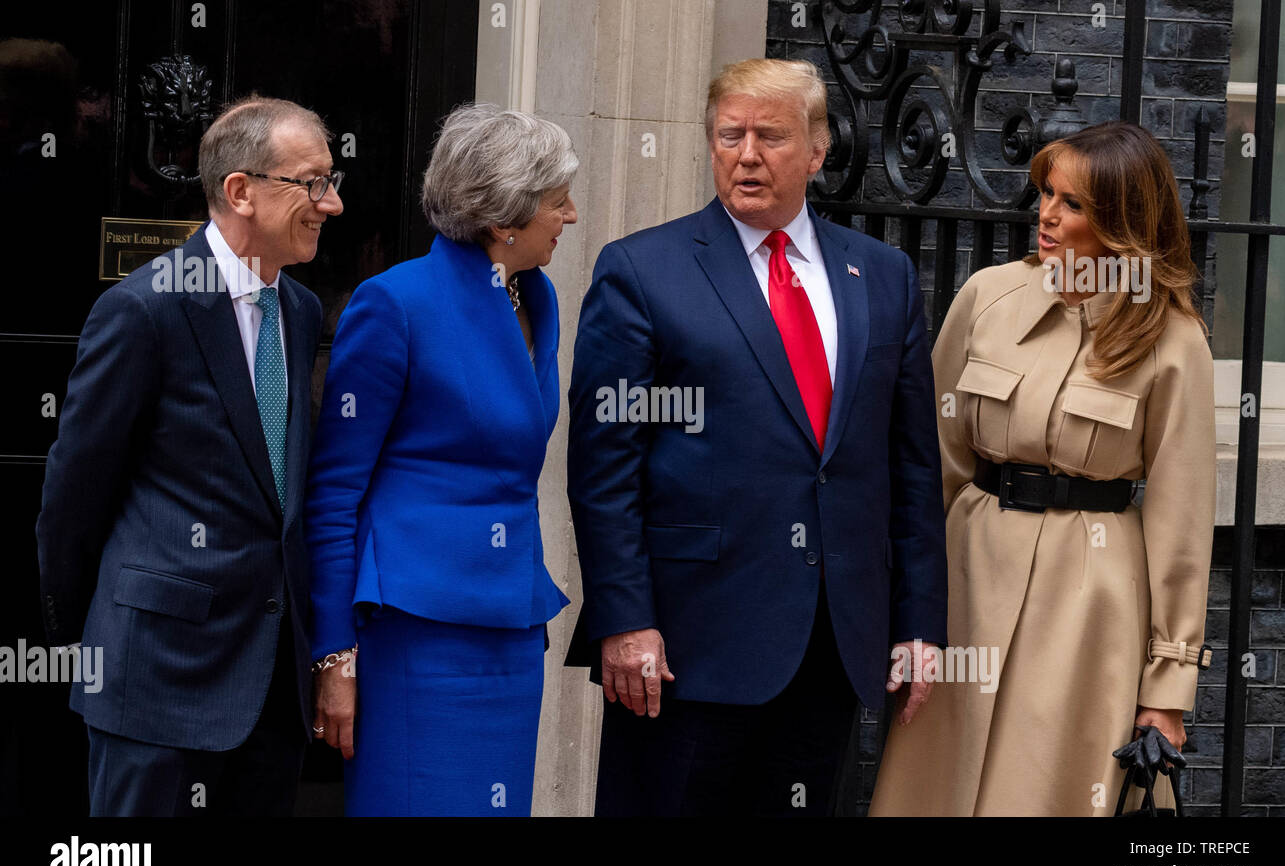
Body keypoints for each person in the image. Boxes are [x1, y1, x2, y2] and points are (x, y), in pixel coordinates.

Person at [565, 58, 947, 816]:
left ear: (817, 149)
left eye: (769, 136)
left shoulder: (884, 275)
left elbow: (910, 467)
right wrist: (624, 617)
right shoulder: (643, 272)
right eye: (729, 135)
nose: (746, 154)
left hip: (833, 643)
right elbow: (605, 465)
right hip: (683, 646)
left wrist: (920, 624)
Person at [869, 120, 1215, 816]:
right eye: (1046, 194)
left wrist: (1167, 691)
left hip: (1090, 603)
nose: (1048, 216)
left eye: (1074, 204)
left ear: (1122, 222)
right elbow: (929, 463)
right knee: (935, 784)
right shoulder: (988, 297)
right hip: (968, 574)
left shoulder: (1172, 338)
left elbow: (1182, 523)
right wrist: (904, 606)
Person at [35, 96, 343, 815]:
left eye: (333, 181)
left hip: (269, 689)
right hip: (155, 682)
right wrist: (101, 639)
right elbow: (71, 502)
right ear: (240, 191)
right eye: (311, 183)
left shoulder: (297, 311)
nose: (330, 204)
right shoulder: (145, 310)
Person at [307, 103, 577, 816]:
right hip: (415, 632)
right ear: (502, 219)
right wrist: (335, 655)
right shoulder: (394, 305)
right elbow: (335, 492)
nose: (570, 215)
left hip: (511, 629)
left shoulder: (537, 297)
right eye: (557, 201)